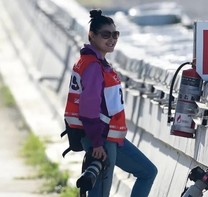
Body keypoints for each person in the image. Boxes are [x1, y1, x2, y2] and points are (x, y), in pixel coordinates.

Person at [64, 9, 157, 197]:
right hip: (100, 137)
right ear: (92, 36)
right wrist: (97, 144)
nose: (112, 39)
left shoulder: (94, 63)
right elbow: (89, 110)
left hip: (109, 137)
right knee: (100, 193)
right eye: (106, 35)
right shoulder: (93, 67)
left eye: (115, 34)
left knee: (147, 172)